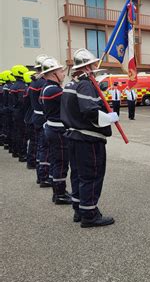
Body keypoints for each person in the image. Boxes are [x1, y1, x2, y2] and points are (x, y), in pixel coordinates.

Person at [61, 48, 119, 227]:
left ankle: (80, 209)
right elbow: (89, 110)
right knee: (92, 175)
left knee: (78, 175)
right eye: (93, 64)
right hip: (88, 138)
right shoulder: (86, 84)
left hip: (74, 137)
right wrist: (108, 118)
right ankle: (89, 215)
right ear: (87, 67)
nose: (96, 66)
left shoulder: (71, 84)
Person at [39, 57, 72, 205]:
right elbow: (71, 101)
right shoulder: (53, 89)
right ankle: (59, 194)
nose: (63, 73)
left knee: (57, 161)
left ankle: (58, 191)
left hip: (53, 128)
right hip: (57, 130)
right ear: (53, 74)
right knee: (61, 162)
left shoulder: (49, 87)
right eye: (60, 71)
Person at [29, 55, 51, 187]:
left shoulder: (34, 82)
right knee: (45, 149)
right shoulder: (43, 83)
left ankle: (40, 175)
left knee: (40, 147)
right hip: (42, 118)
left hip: (36, 117)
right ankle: (43, 176)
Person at [9, 64, 29, 161]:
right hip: (21, 112)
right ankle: (22, 154)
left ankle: (15, 151)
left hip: (14, 111)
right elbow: (22, 101)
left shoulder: (13, 86)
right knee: (22, 133)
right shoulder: (21, 86)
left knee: (16, 131)